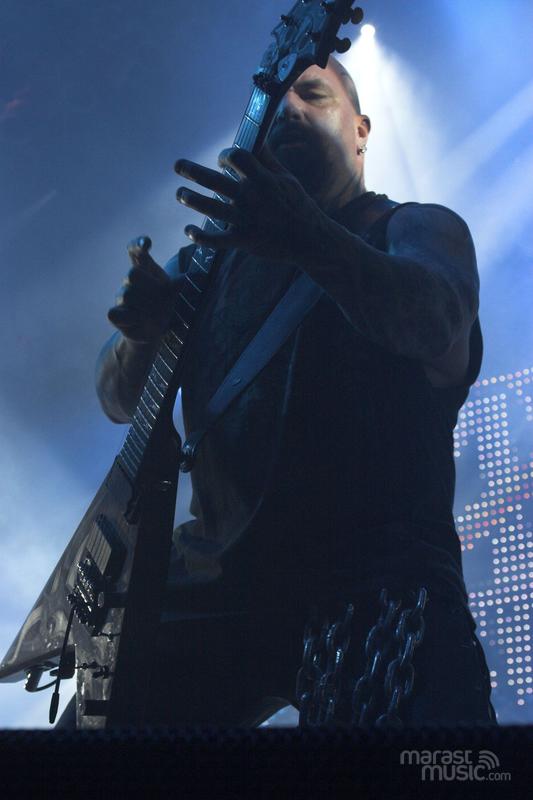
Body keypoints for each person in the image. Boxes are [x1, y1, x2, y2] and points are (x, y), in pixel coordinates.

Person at [89, 56, 496, 727]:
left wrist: (309, 238)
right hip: (213, 586)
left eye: (312, 95)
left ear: (361, 130)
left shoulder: (415, 227)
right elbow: (114, 398)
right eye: (277, 105)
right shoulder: (203, 273)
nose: (290, 112)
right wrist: (143, 335)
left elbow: (435, 322)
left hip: (378, 581)